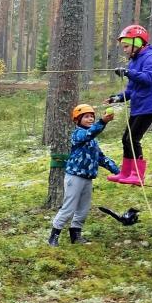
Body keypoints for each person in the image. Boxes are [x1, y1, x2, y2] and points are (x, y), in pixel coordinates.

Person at [49, 104, 120, 246]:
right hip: (74, 177)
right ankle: (53, 236)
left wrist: (117, 171)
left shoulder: (93, 140)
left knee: (83, 208)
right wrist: (103, 121)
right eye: (86, 117)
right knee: (69, 208)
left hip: (87, 178)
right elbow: (89, 134)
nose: (90, 119)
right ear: (77, 120)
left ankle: (76, 236)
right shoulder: (78, 134)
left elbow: (101, 157)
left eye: (92, 116)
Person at [104, 24, 152, 185]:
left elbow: (148, 79)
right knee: (126, 139)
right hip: (139, 106)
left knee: (133, 139)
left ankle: (138, 175)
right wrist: (116, 98)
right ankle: (125, 173)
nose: (124, 50)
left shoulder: (150, 58)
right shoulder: (133, 62)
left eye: (126, 46)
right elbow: (130, 90)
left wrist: (128, 73)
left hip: (150, 106)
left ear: (137, 43)